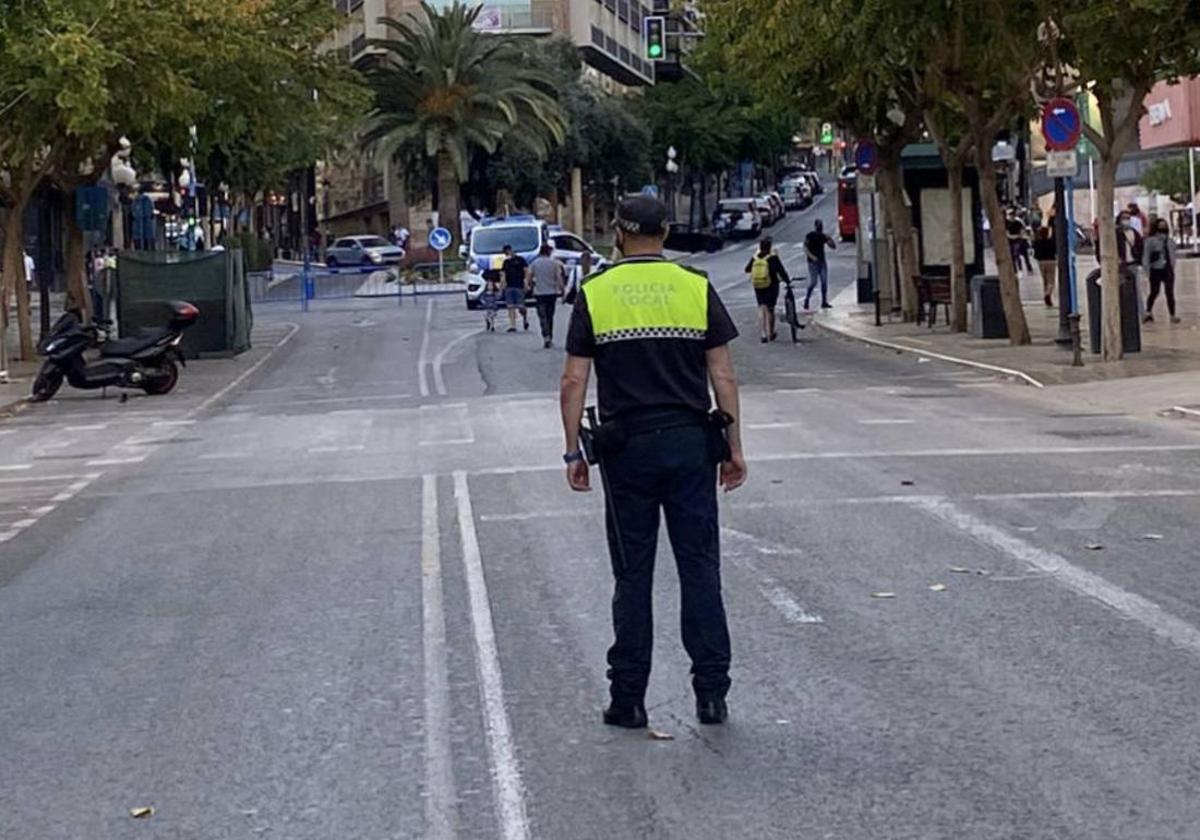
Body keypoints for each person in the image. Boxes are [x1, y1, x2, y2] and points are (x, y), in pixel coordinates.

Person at [560, 194, 746, 730]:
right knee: (700, 570)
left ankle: (629, 699)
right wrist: (734, 448)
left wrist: (574, 450)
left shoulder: (596, 293)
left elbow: (574, 380)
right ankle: (712, 695)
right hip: (690, 444)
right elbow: (724, 375)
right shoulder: (695, 287)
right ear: (664, 232)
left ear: (618, 232)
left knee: (633, 576)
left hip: (627, 450)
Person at [744, 236, 788, 342]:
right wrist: (787, 281)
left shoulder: (755, 257)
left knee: (761, 307)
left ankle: (763, 333)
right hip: (771, 285)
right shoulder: (772, 257)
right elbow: (781, 271)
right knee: (770, 309)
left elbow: (747, 269)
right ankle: (771, 332)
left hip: (758, 285)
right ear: (770, 247)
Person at [528, 243, 566, 348]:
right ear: (548, 252)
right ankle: (550, 335)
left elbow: (529, 277)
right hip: (551, 293)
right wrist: (562, 290)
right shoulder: (554, 264)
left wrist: (529, 286)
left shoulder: (534, 263)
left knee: (542, 316)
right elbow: (559, 277)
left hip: (539, 293)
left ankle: (546, 335)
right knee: (550, 316)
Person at [1143, 218, 1179, 324]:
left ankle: (1172, 315)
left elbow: (1173, 254)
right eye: (1161, 225)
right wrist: (1147, 271)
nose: (1163, 227)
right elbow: (1146, 256)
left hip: (1168, 269)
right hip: (1156, 269)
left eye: (1164, 225)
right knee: (1154, 291)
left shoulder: (1170, 241)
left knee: (1170, 292)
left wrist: (1172, 266)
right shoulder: (1150, 241)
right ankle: (1148, 312)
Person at [803, 219, 836, 309]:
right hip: (812, 263)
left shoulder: (823, 236)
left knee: (824, 281)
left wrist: (829, 238)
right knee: (813, 282)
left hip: (821, 262)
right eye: (819, 226)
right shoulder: (810, 236)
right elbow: (805, 248)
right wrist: (812, 257)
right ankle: (807, 299)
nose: (820, 228)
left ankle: (824, 301)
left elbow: (833, 246)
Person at [500, 244, 530, 333]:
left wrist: (526, 283)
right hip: (509, 286)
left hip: (519, 285)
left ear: (510, 250)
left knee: (521, 306)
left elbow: (526, 271)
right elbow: (503, 273)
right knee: (510, 307)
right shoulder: (506, 262)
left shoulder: (521, 260)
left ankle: (524, 317)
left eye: (507, 252)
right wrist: (503, 283)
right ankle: (512, 325)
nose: (506, 254)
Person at [1033, 226, 1057, 307]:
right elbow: (1055, 250)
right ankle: (1048, 294)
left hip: (1041, 261)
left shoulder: (1036, 242)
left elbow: (1035, 254)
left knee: (1045, 280)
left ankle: (1046, 295)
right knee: (1051, 281)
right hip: (1051, 260)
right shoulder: (1051, 242)